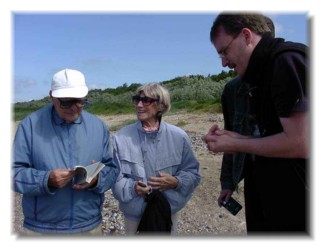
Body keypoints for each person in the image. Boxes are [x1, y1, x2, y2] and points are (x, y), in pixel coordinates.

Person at [203, 13, 308, 233]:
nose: (223, 63)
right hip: (269, 190)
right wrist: (234, 138)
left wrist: (236, 144)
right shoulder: (257, 76)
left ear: (246, 36)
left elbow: (302, 142)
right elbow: (267, 134)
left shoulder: (286, 61)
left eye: (224, 51)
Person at [13, 68, 119, 235]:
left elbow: (112, 169)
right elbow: (13, 174)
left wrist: (97, 179)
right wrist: (45, 180)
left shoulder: (98, 127)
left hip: (89, 226)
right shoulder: (30, 126)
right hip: (41, 229)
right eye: (66, 102)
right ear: (52, 97)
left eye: (80, 101)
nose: (74, 108)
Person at [112, 82, 201, 235]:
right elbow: (114, 178)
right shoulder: (121, 137)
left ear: (161, 106)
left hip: (166, 211)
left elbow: (193, 174)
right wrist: (133, 188)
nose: (139, 105)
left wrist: (177, 182)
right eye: (137, 100)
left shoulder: (179, 137)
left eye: (146, 100)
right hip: (134, 215)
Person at [217, 16, 276, 232]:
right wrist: (228, 183)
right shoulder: (233, 90)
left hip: (290, 178)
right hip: (253, 175)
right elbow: (231, 136)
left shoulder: (288, 70)